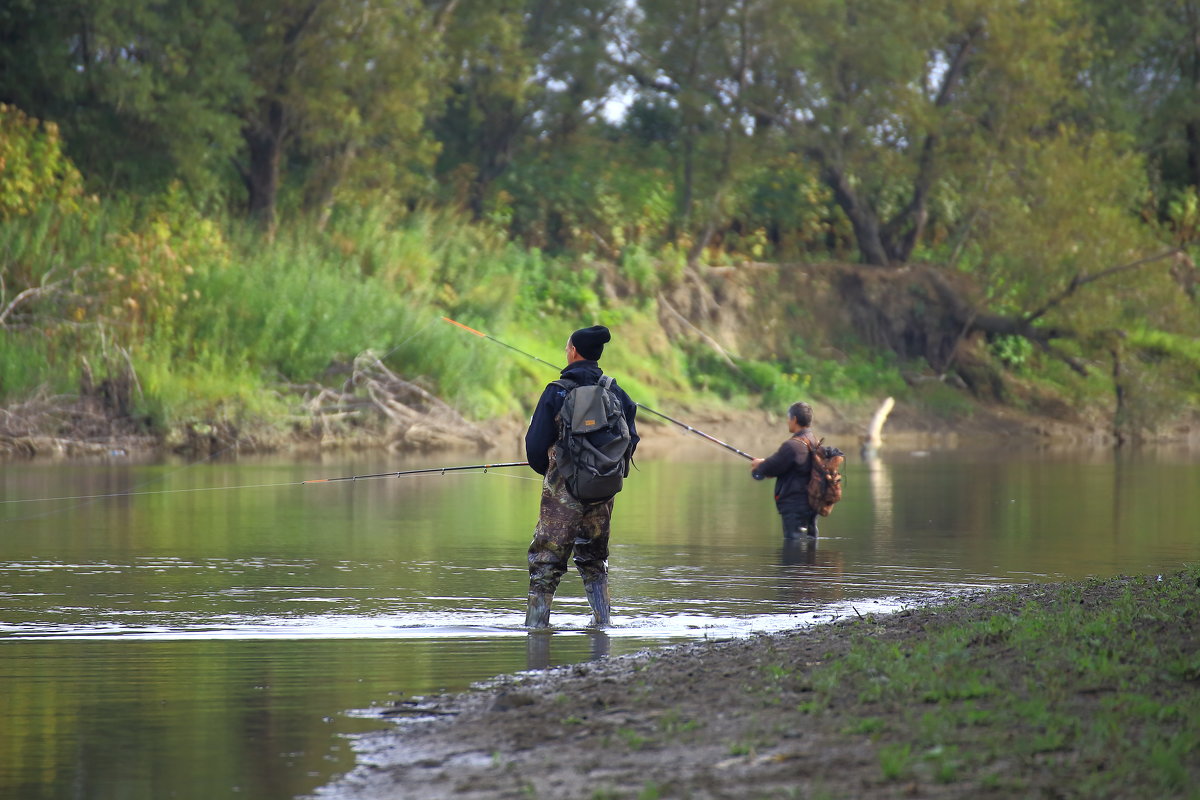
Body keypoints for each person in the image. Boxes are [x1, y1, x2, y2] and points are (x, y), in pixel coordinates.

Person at [523, 325, 639, 629]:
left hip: (564, 488)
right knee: (594, 560)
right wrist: (606, 471)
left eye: (566, 347)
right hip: (603, 487)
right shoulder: (615, 391)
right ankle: (603, 625)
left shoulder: (557, 391)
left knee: (546, 562)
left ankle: (536, 629)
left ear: (573, 352)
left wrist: (552, 469)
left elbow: (535, 446)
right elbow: (631, 439)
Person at [750, 401, 821, 540]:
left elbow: (770, 467)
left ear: (794, 419)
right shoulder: (814, 441)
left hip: (795, 506)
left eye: (788, 419)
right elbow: (788, 466)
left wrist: (759, 466)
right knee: (809, 548)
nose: (788, 422)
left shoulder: (792, 446)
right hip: (812, 505)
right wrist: (766, 464)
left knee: (793, 549)